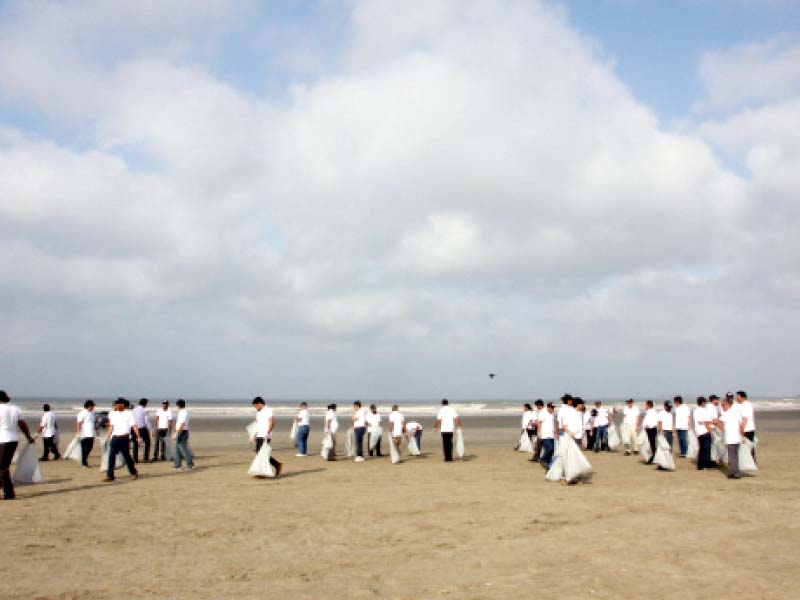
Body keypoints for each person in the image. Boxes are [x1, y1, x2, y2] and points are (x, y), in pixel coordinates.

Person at [0, 390, 35, 500]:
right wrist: (28, 437)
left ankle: (9, 493)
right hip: (13, 440)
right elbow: (22, 424)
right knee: (4, 466)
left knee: (3, 467)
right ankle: (7, 491)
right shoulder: (15, 408)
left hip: (2, 440)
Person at [103, 398, 140, 482]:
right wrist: (107, 437)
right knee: (111, 456)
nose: (116, 405)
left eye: (118, 404)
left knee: (127, 456)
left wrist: (138, 436)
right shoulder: (114, 414)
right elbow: (112, 427)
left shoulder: (129, 414)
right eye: (116, 404)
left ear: (122, 405)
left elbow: (134, 426)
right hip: (115, 437)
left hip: (124, 438)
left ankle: (134, 472)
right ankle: (110, 475)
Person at [252, 397, 282, 476]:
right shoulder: (258, 413)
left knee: (262, 453)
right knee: (259, 453)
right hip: (259, 435)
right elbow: (259, 424)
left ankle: (264, 471)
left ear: (260, 403)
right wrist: (256, 434)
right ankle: (276, 465)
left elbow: (272, 421)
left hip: (266, 435)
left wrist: (268, 432)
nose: (255, 407)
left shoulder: (267, 410)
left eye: (256, 405)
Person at [717, 397, 743, 479]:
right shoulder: (736, 412)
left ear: (728, 405)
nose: (722, 407)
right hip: (736, 437)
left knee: (732, 457)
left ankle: (733, 472)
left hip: (731, 438)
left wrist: (706, 422)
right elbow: (741, 425)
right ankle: (736, 472)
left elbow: (718, 421)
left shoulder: (728, 413)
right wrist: (742, 435)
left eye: (723, 405)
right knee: (735, 456)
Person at [172, 399, 194, 470]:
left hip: (182, 431)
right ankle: (177, 465)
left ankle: (190, 464)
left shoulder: (183, 413)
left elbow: (182, 424)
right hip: (182, 431)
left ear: (178, 405)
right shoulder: (183, 412)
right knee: (177, 449)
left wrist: (176, 433)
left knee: (182, 449)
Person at [735, 391, 756, 462]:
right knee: (750, 446)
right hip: (751, 428)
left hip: (746, 429)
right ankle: (752, 462)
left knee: (746, 447)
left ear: (742, 397)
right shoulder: (749, 404)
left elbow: (744, 419)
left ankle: (749, 462)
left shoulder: (744, 406)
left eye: (737, 396)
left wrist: (742, 430)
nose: (736, 398)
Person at [694, 397, 714, 470]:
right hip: (704, 431)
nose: (705, 404)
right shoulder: (701, 411)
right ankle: (706, 464)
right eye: (704, 402)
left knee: (702, 448)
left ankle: (701, 465)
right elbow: (703, 422)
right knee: (706, 448)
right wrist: (710, 430)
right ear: (702, 403)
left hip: (699, 432)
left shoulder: (697, 411)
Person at [76, 400, 96, 467]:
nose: (93, 407)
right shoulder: (82, 413)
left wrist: (96, 429)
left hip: (91, 433)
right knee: (85, 449)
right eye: (92, 406)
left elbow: (93, 422)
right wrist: (79, 432)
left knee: (90, 448)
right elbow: (79, 423)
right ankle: (84, 462)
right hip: (84, 433)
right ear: (89, 406)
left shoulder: (93, 413)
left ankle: (84, 460)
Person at [132, 399, 151, 464]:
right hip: (142, 428)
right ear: (145, 404)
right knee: (147, 443)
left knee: (135, 443)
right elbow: (146, 421)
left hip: (134, 428)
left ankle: (135, 459)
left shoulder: (134, 409)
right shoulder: (144, 410)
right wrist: (149, 429)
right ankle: (146, 458)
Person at [537, 402, 556, 468]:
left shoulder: (552, 414)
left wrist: (555, 431)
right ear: (548, 407)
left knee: (552, 449)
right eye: (551, 407)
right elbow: (539, 422)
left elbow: (553, 424)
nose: (553, 409)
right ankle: (542, 459)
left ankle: (549, 463)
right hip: (545, 435)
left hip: (552, 435)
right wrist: (539, 432)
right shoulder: (543, 413)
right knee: (550, 448)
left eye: (553, 408)